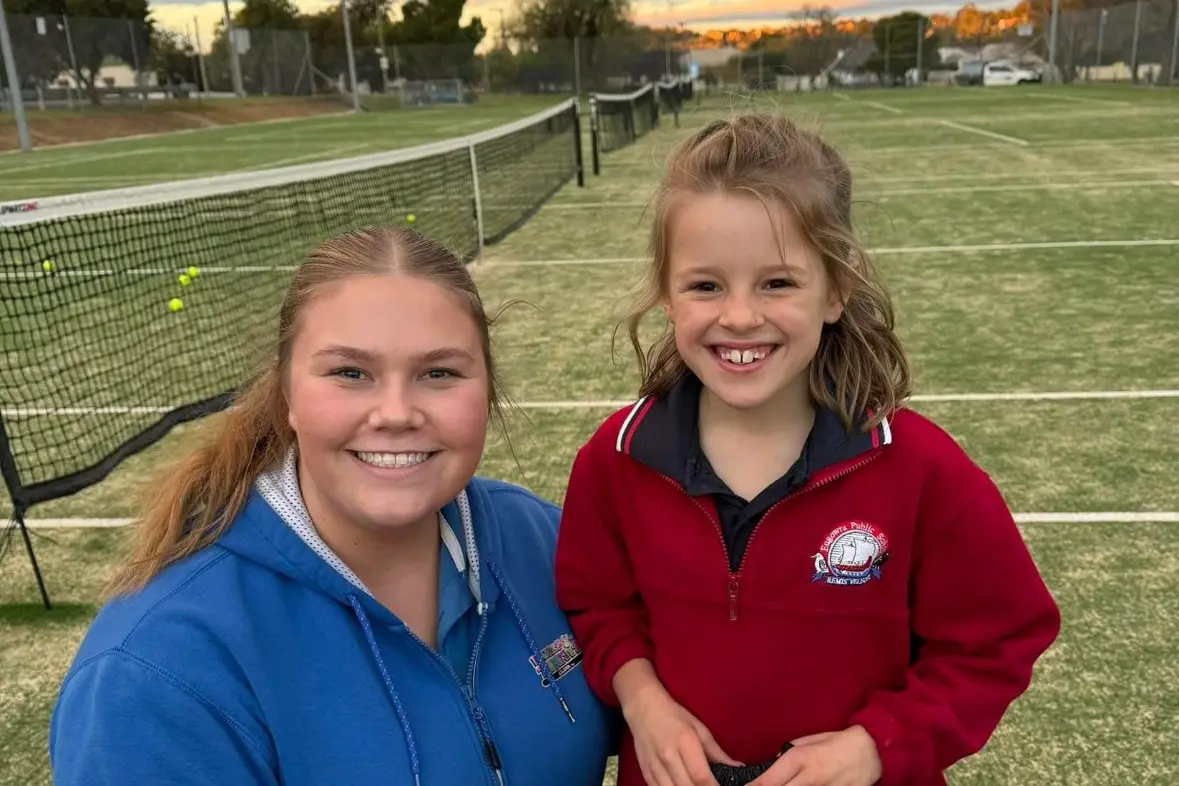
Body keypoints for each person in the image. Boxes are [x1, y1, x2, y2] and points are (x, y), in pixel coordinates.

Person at [553, 115, 1061, 786]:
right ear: (667, 296)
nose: (738, 316)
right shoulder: (614, 461)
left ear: (836, 289)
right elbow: (597, 608)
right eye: (705, 285)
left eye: (777, 283)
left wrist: (877, 744)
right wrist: (642, 702)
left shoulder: (921, 470)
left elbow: (998, 639)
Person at [50, 227, 616, 786]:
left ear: (486, 390)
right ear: (288, 396)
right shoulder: (155, 670)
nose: (396, 413)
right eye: (351, 373)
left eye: (438, 372)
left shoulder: (543, 540)